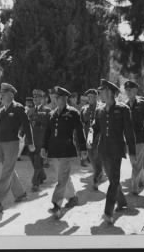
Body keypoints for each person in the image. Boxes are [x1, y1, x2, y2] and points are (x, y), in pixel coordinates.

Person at [88, 79, 136, 225]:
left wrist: (132, 153)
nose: (100, 94)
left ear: (109, 92)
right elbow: (94, 127)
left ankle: (108, 212)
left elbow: (129, 133)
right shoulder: (99, 110)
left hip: (116, 151)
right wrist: (90, 136)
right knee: (112, 179)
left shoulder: (123, 110)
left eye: (102, 91)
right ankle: (121, 201)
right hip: (102, 150)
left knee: (114, 180)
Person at [0, 83, 35, 214]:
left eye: (3, 93)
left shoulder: (18, 108)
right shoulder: (1, 110)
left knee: (6, 173)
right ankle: (20, 194)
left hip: (12, 144)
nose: (1, 96)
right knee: (9, 170)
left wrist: (30, 142)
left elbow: (26, 126)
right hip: (1, 145)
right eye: (1, 93)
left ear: (10, 94)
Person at [41, 86, 88, 219]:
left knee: (61, 179)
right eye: (56, 97)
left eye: (60, 97)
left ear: (65, 98)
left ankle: (56, 204)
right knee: (62, 177)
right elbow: (47, 133)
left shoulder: (73, 113)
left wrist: (83, 149)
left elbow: (80, 132)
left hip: (66, 151)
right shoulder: (52, 114)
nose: (57, 100)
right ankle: (72, 198)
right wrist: (44, 147)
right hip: (54, 151)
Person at [81, 89, 103, 190]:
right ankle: (98, 173)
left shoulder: (101, 108)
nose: (90, 99)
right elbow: (81, 124)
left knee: (97, 158)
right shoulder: (84, 109)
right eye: (89, 97)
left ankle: (96, 180)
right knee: (92, 159)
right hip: (88, 139)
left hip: (99, 138)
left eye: (93, 97)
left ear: (96, 97)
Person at [28, 89, 50, 192]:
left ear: (42, 99)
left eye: (38, 97)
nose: (35, 99)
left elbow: (50, 126)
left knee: (37, 161)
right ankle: (43, 175)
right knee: (33, 159)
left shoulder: (47, 110)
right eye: (34, 98)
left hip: (41, 141)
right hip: (32, 140)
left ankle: (35, 183)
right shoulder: (30, 110)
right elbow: (26, 124)